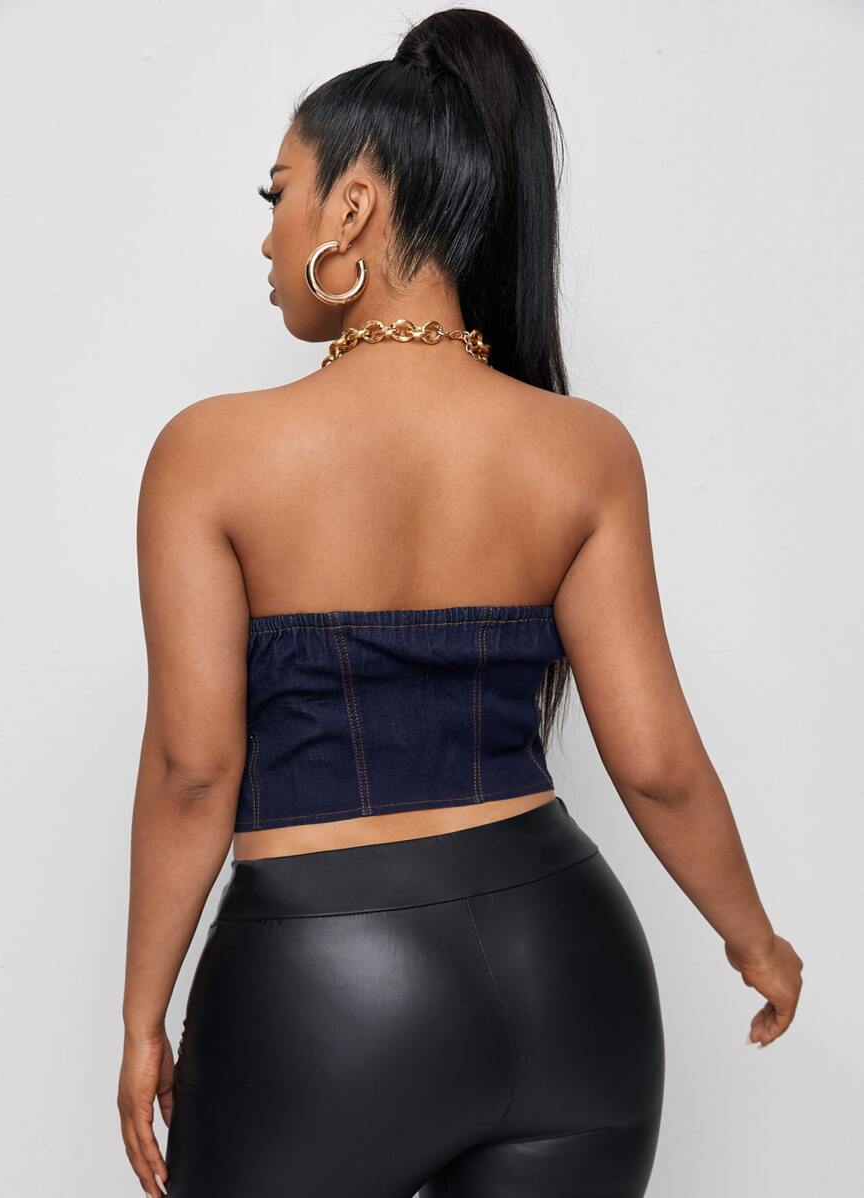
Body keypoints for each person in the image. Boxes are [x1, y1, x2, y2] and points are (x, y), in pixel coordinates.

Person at [116, 9, 803, 1196]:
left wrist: (142, 1015)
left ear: (353, 207)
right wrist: (754, 937)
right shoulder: (582, 450)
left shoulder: (210, 455)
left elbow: (192, 769)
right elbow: (656, 765)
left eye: (278, 193)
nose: (268, 235)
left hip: (322, 999)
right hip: (568, 979)